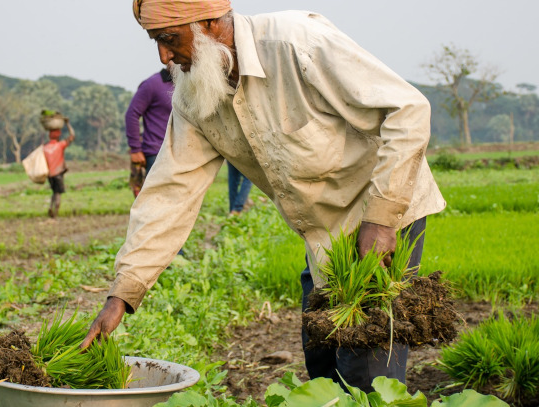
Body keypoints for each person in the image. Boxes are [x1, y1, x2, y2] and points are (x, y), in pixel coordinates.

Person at [81, 0, 445, 392]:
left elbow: (407, 109)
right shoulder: (194, 94)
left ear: (209, 24)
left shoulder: (296, 43)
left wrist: (381, 218)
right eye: (156, 41)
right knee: (322, 361)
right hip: (323, 234)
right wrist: (121, 295)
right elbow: (169, 194)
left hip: (383, 212)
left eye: (169, 39)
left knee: (365, 372)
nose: (164, 56)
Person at [125, 68, 174, 197]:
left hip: (180, 153)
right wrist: (135, 149)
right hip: (156, 154)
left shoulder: (185, 84)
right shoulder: (152, 84)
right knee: (156, 202)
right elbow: (132, 114)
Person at [43, 118, 75, 218]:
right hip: (58, 173)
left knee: (54, 192)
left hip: (49, 175)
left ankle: (50, 207)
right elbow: (72, 136)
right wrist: (68, 124)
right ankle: (55, 212)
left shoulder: (45, 147)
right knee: (58, 194)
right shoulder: (60, 145)